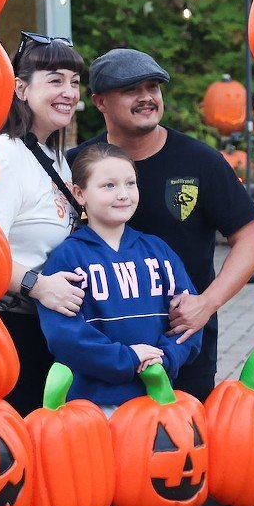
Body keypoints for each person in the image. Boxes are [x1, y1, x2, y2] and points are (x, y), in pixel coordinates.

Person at [72, 49, 254, 401]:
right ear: (100, 101)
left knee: (181, 450)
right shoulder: (79, 166)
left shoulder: (201, 162)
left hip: (182, 346)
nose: (147, 97)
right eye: (131, 89)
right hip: (100, 353)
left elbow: (250, 239)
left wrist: (207, 303)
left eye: (153, 86)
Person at [36, 143, 199, 410]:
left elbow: (190, 320)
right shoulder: (68, 258)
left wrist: (165, 359)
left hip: (155, 399)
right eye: (109, 186)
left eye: (130, 184)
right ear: (80, 193)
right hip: (94, 405)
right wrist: (127, 358)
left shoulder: (158, 251)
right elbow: (65, 336)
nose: (123, 194)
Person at [0, 32, 87, 416]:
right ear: (20, 89)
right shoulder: (6, 156)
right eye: (55, 80)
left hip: (47, 329)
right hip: (11, 331)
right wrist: (38, 286)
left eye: (74, 82)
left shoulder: (52, 155)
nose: (70, 92)